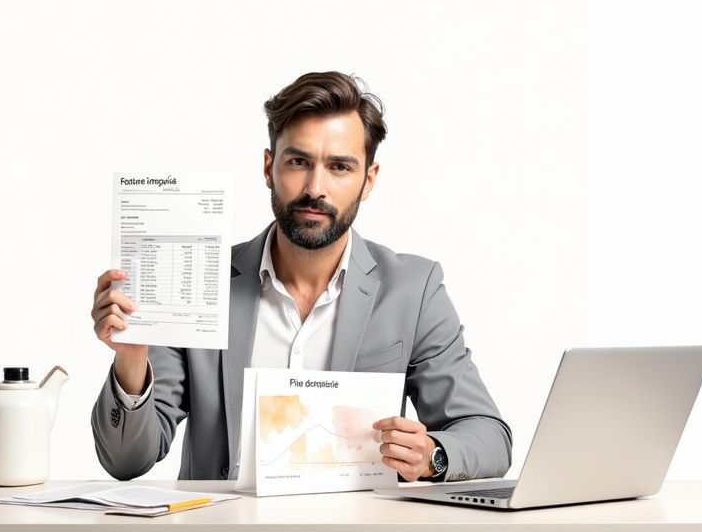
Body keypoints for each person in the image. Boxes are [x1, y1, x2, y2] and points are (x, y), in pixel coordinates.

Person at [91, 71, 512, 483]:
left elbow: (489, 436)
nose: (315, 187)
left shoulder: (413, 290)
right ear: (268, 167)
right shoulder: (200, 281)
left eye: (340, 167)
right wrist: (131, 359)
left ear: (369, 180)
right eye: (298, 162)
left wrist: (432, 457)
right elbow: (126, 461)